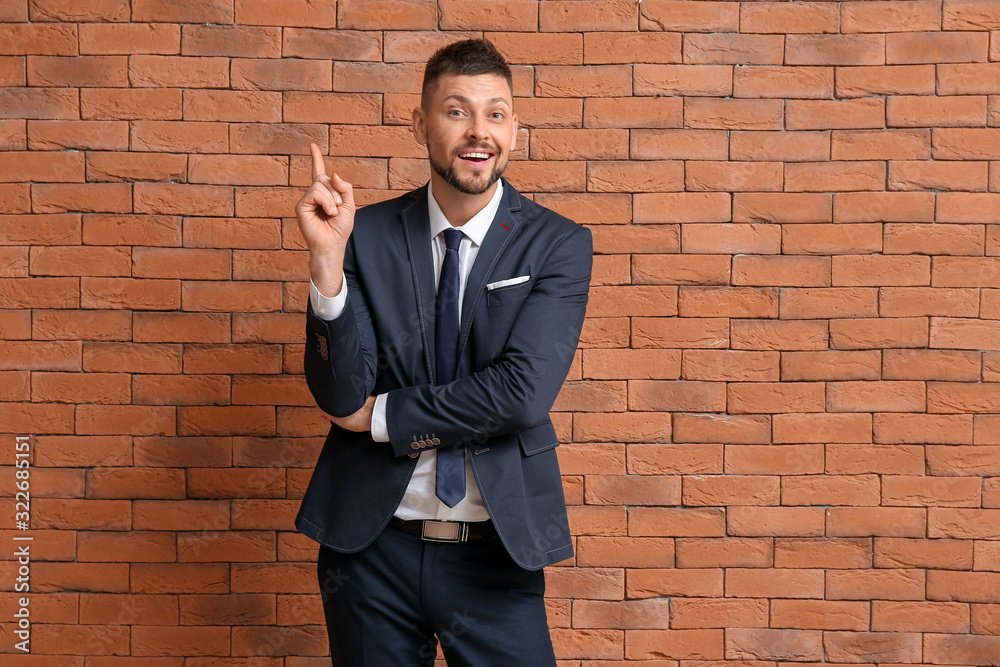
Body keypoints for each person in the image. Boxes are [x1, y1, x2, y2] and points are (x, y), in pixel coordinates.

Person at [293, 38, 593, 666]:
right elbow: (341, 392)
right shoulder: (364, 233)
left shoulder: (557, 245)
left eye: (496, 113)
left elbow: (521, 395)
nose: (478, 132)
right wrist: (327, 263)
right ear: (420, 124)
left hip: (493, 553)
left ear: (514, 127)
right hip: (373, 553)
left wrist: (383, 418)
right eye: (457, 111)